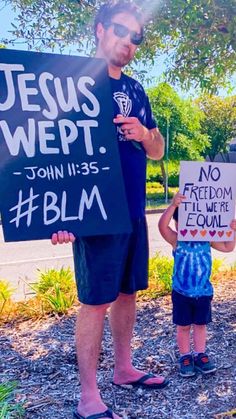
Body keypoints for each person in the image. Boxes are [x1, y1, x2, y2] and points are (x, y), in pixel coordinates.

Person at [51, 2, 166, 418]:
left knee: (127, 293)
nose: (129, 42)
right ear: (100, 29)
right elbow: (49, 153)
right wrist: (59, 213)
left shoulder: (136, 91)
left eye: (137, 37)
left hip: (134, 210)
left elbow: (157, 150)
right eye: (121, 31)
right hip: (94, 211)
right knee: (95, 300)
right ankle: (88, 397)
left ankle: (122, 369)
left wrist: (143, 133)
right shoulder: (69, 84)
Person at [158, 192, 236, 378]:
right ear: (177, 223)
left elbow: (228, 247)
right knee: (183, 326)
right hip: (182, 293)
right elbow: (162, 226)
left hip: (203, 292)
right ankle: (185, 356)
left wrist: (233, 230)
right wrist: (173, 206)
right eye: (182, 221)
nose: (188, 225)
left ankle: (200, 354)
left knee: (200, 324)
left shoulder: (207, 238)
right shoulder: (177, 240)